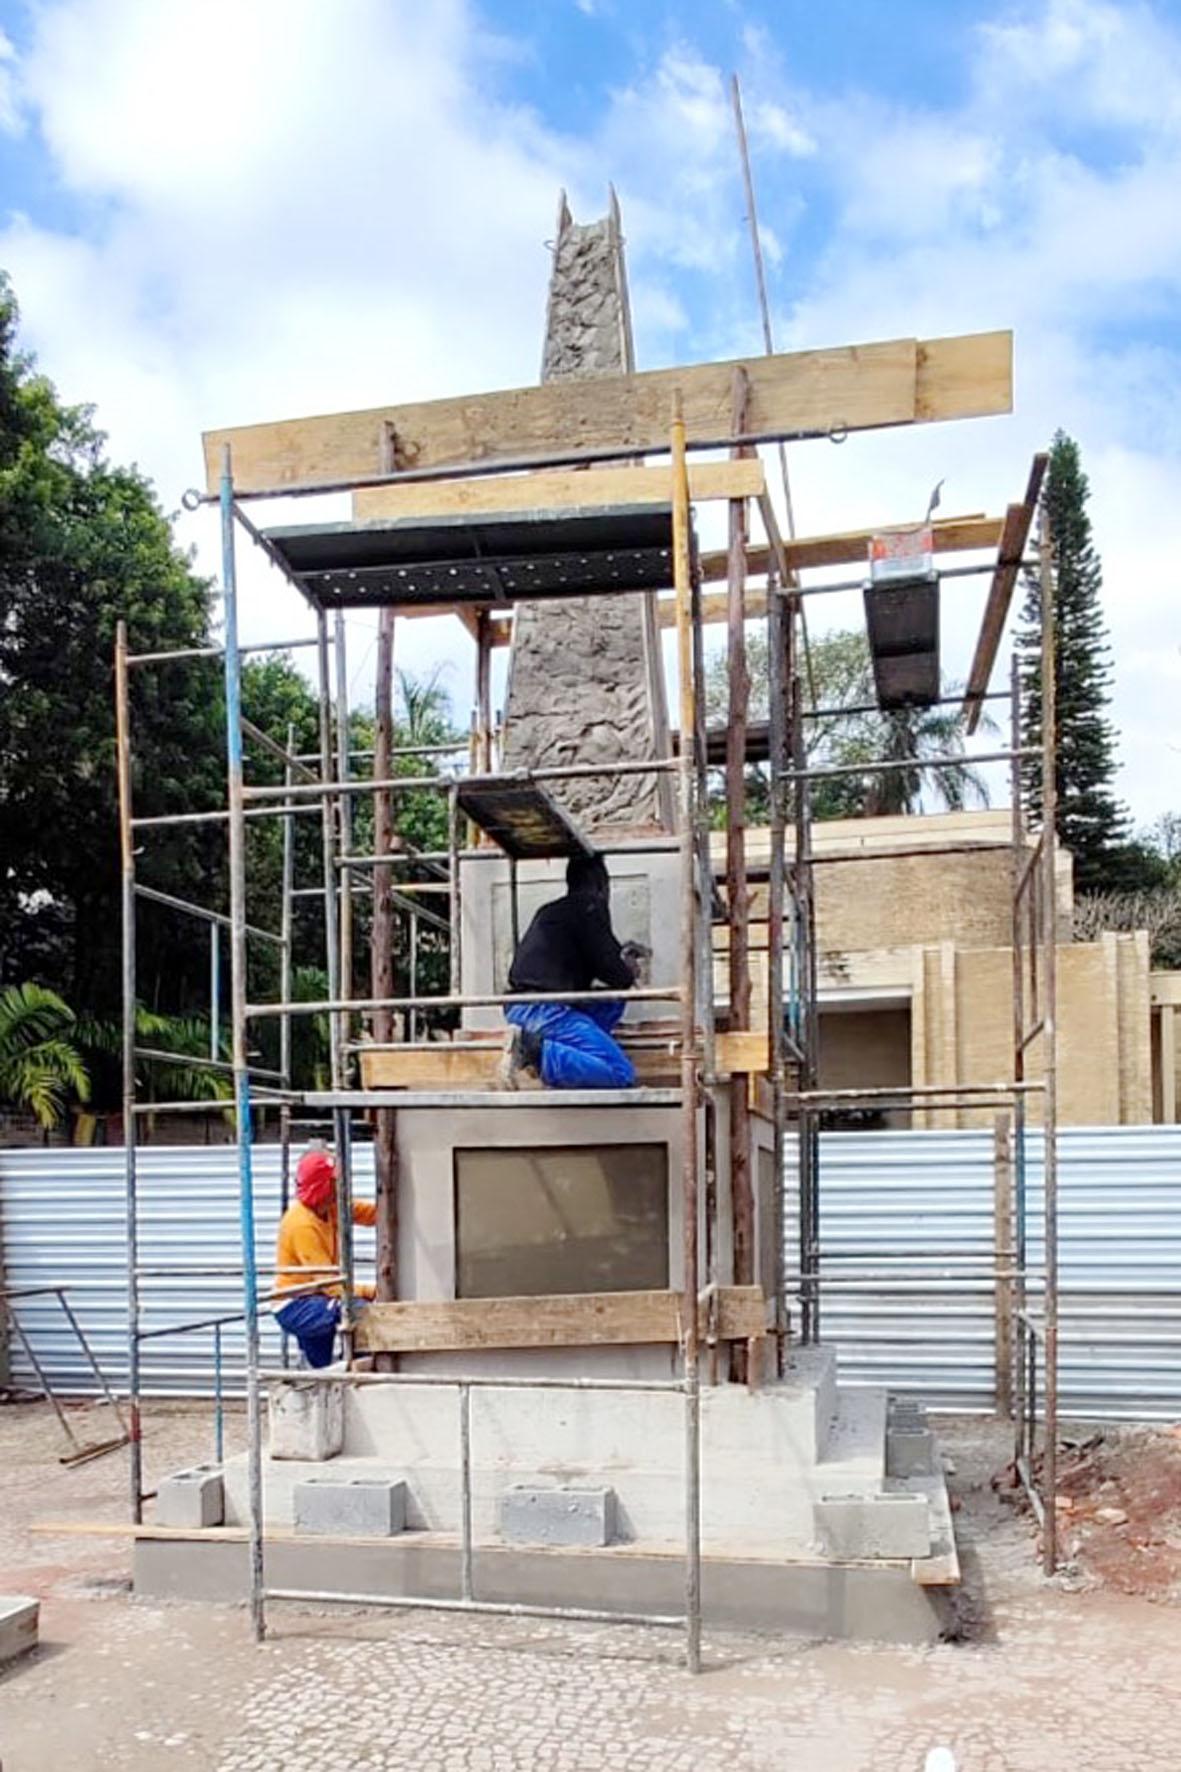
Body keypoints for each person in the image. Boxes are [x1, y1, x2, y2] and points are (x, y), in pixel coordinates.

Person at [500, 852, 647, 1090]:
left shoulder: (553, 911)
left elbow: (599, 960)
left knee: (611, 1002)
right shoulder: (589, 908)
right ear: (601, 885)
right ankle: (533, 1050)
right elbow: (616, 973)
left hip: (525, 1007)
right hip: (545, 1010)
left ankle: (566, 1052)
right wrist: (629, 968)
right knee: (621, 1073)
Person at [273, 1147, 377, 1368]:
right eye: (334, 1181)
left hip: (317, 1298)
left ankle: (319, 1381)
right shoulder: (302, 1224)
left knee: (319, 1367)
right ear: (322, 1186)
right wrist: (371, 1291)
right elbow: (330, 1285)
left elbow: (370, 1213)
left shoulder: (331, 1207)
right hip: (295, 1304)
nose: (341, 1186)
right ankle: (358, 1368)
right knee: (355, 1310)